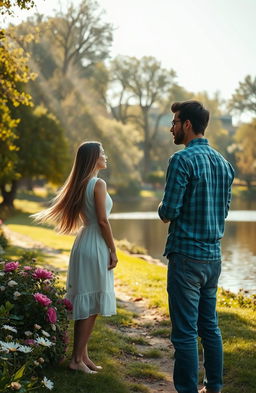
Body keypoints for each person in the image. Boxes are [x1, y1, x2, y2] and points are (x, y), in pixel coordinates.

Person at [158, 101, 234, 393]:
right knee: (210, 328)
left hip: (186, 258)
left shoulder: (182, 160)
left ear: (187, 124)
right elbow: (223, 211)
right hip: (213, 258)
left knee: (185, 333)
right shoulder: (224, 165)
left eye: (175, 122)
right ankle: (213, 387)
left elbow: (169, 211)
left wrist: (161, 208)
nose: (172, 128)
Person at [33, 141, 117, 374]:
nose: (105, 156)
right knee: (91, 303)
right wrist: (113, 249)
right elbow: (102, 221)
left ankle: (83, 356)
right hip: (96, 244)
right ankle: (76, 360)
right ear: (93, 159)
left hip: (84, 243)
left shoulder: (81, 184)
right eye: (102, 153)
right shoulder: (98, 184)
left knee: (88, 299)